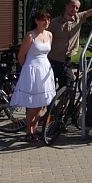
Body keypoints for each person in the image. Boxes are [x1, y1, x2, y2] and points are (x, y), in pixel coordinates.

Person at [11, 9, 56, 142]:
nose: (46, 22)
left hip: (45, 69)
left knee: (40, 102)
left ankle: (35, 129)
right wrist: (28, 69)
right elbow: (21, 55)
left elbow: (46, 52)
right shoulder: (30, 36)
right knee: (31, 103)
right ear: (36, 21)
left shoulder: (49, 35)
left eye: (48, 19)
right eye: (43, 19)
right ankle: (28, 131)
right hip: (32, 69)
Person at [48, 0, 92, 88]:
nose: (74, 9)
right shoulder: (54, 23)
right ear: (66, 6)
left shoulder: (79, 18)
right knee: (50, 86)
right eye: (72, 6)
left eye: (77, 8)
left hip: (66, 60)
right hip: (52, 59)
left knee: (69, 84)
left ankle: (64, 102)